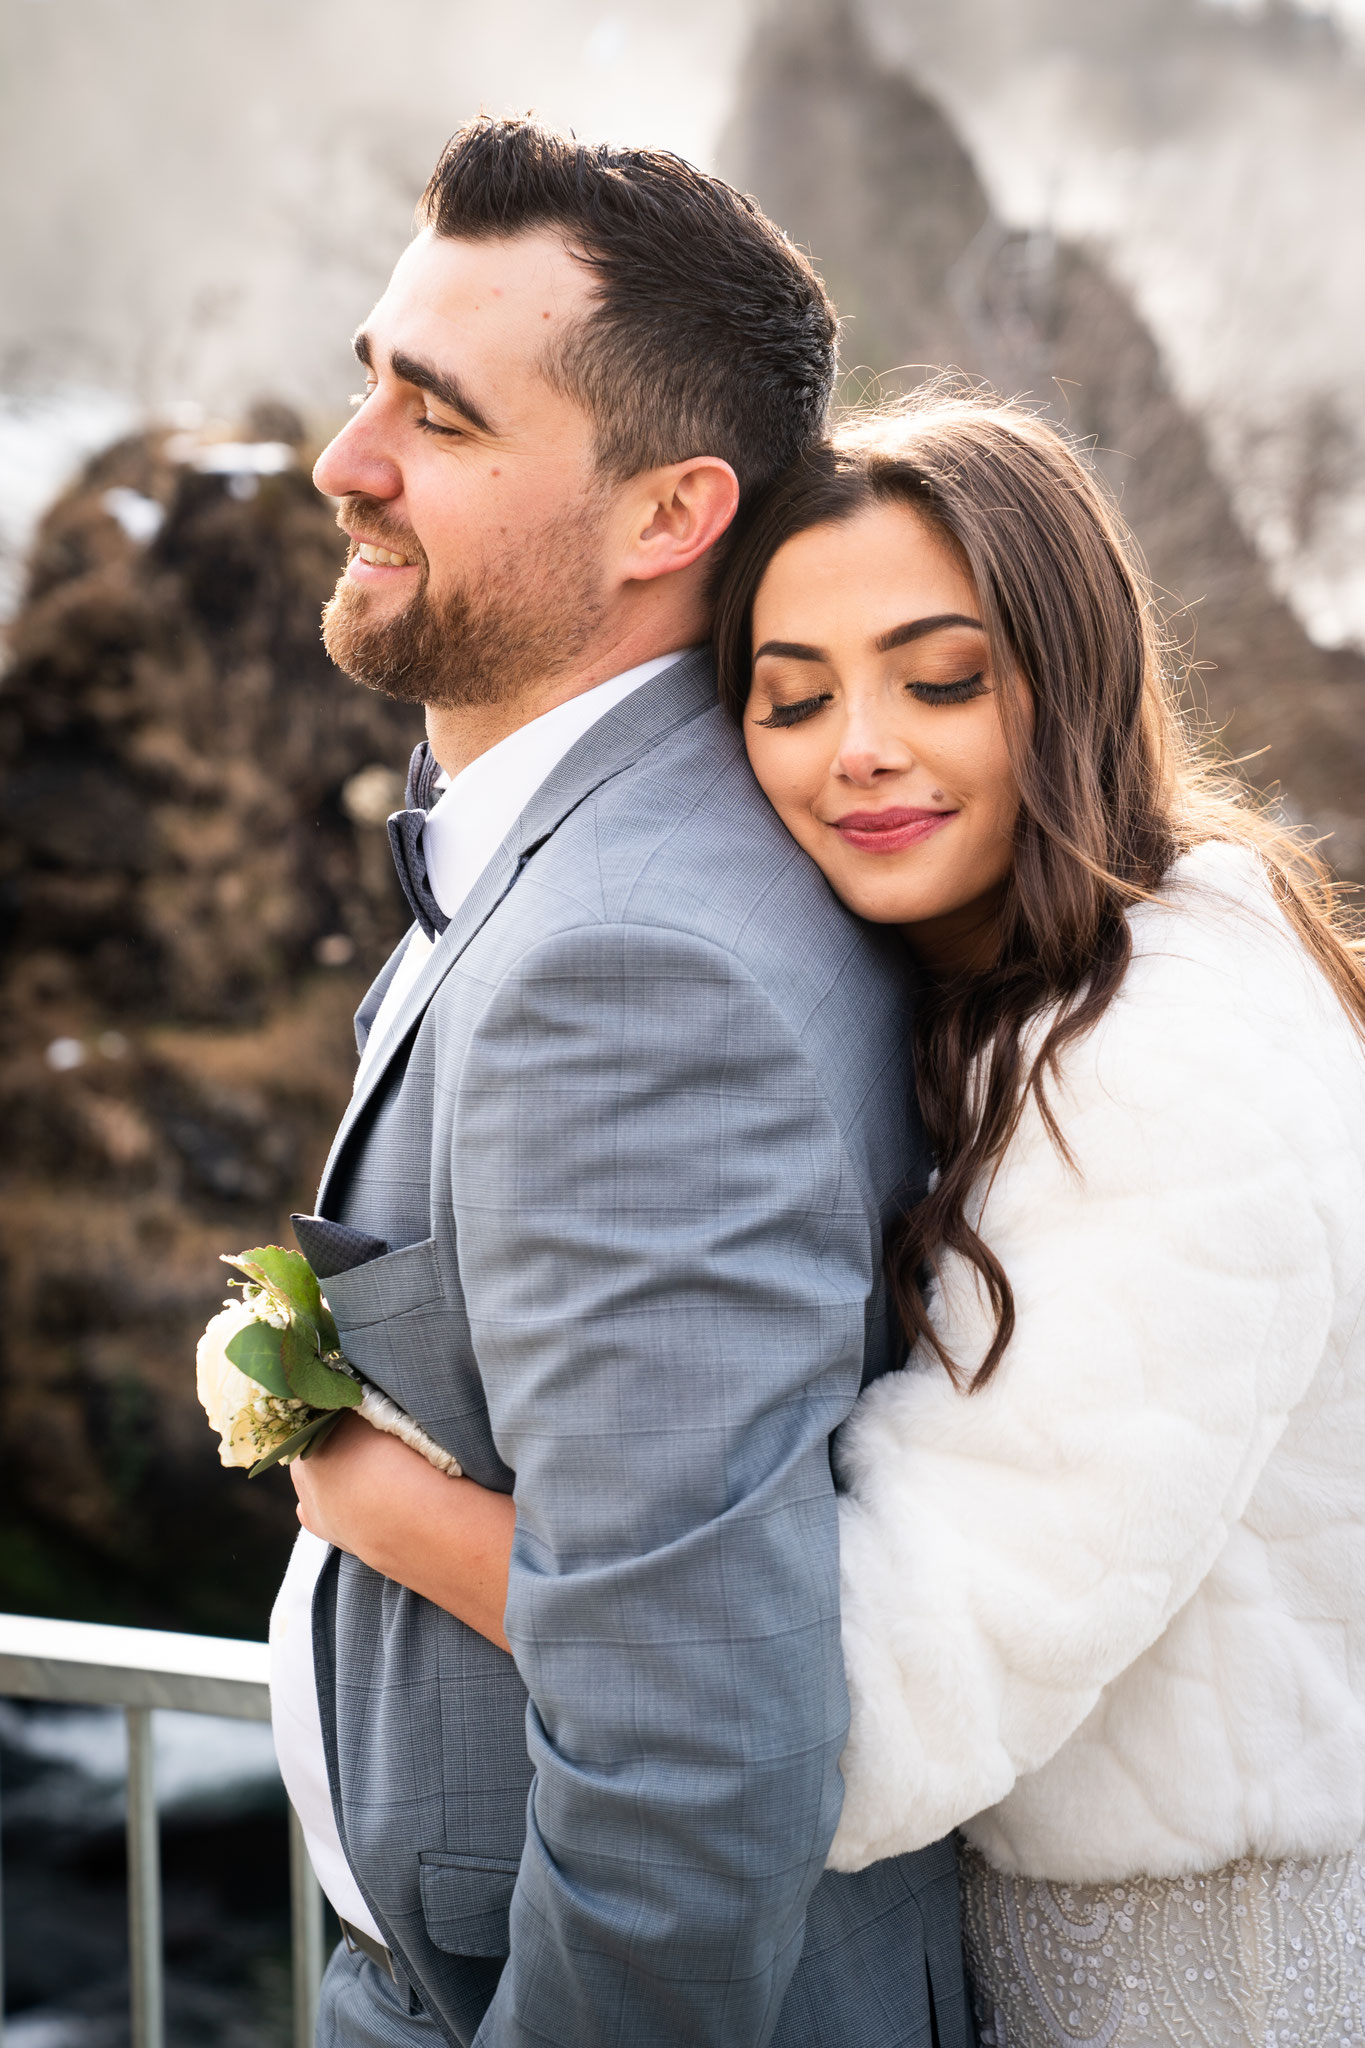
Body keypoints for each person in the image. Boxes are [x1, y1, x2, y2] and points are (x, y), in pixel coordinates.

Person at [406, 385, 1365, 2046]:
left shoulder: (1163, 1069)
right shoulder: (1018, 1001)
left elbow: (850, 1717)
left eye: (939, 681)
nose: (856, 747)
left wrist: (387, 1508)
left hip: (1195, 1982)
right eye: (791, 698)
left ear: (1069, 682)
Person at [271, 117, 973, 2048]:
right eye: (369, 379)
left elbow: (690, 1758)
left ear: (668, 516)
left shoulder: (632, 967)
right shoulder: (605, 849)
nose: (345, 461)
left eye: (439, 416)